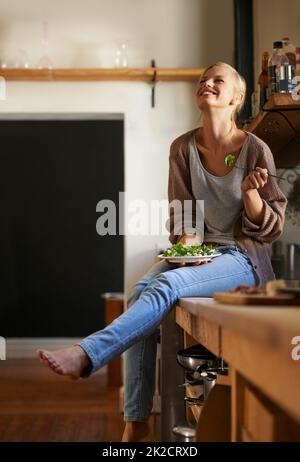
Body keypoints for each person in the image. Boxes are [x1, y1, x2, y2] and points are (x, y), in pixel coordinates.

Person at [37, 62, 287, 442]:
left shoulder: (256, 150)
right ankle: (136, 421)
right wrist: (188, 245)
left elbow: (271, 228)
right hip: (202, 254)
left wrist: (251, 195)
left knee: (165, 285)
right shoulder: (183, 148)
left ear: (236, 98)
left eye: (218, 80)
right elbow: (183, 217)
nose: (207, 83)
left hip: (241, 258)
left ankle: (88, 353)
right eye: (204, 79)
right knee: (140, 291)